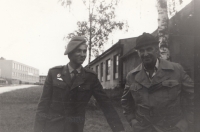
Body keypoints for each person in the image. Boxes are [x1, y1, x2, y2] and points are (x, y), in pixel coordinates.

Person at [34, 36, 125, 132]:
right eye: (78, 51)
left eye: (84, 51)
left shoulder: (90, 77)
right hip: (53, 127)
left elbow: (107, 105)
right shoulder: (54, 73)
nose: (82, 54)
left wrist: (119, 130)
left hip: (75, 128)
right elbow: (43, 106)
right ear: (70, 52)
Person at [121, 33, 194, 132]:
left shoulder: (176, 70)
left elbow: (193, 97)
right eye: (141, 50)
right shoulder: (131, 76)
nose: (145, 54)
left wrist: (185, 122)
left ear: (156, 49)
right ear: (138, 53)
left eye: (149, 49)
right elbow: (126, 102)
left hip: (172, 129)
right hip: (143, 129)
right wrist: (132, 121)